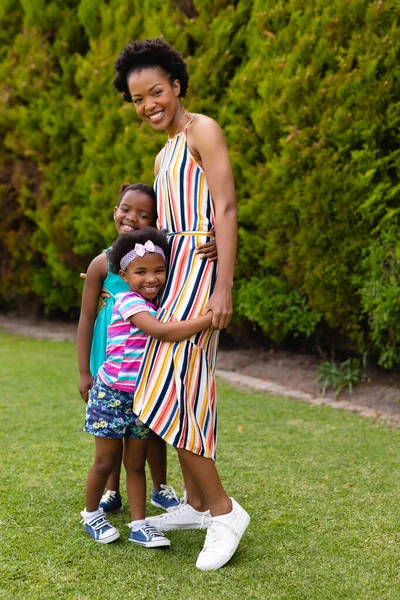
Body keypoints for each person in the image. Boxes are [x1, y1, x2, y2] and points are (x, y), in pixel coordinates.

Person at [113, 38, 250, 570]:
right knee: (177, 390)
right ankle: (195, 504)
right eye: (137, 98)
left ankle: (223, 510)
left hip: (202, 280)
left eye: (156, 92)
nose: (149, 104)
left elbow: (227, 206)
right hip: (176, 277)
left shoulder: (203, 130)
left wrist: (224, 285)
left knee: (172, 391)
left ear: (176, 85)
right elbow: (166, 229)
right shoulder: (163, 152)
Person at [77, 183, 216, 514]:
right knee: (111, 427)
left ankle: (159, 487)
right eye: (125, 209)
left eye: (144, 214)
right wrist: (84, 371)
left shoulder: (159, 264)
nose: (131, 218)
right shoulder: (102, 263)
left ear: (155, 222)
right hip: (109, 354)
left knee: (150, 424)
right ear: (115, 210)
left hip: (145, 357)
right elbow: (84, 318)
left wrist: (215, 237)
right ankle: (111, 491)